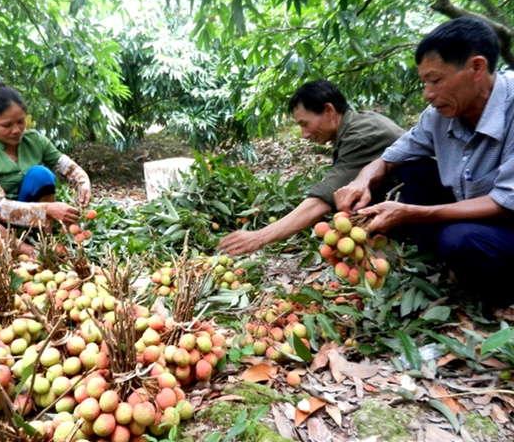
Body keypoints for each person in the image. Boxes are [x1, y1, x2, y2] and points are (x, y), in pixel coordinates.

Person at [334, 16, 514, 309]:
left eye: (436, 80)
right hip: (477, 211)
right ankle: (444, 266)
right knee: (413, 170)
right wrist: (361, 182)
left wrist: (412, 213)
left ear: (477, 68)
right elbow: (389, 157)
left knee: (460, 239)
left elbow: (506, 203)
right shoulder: (439, 115)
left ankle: (499, 295)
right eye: (424, 83)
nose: (427, 94)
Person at [218, 80, 405, 255]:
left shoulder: (361, 136)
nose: (304, 134)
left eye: (305, 124)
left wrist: (259, 238)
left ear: (329, 111)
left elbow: (322, 200)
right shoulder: (359, 122)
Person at [0, 82, 92, 250]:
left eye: (21, 122)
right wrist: (47, 209)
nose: (16, 130)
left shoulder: (34, 140)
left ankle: (46, 239)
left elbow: (68, 167)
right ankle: (26, 250)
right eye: (6, 125)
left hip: (28, 221)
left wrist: (83, 182)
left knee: (40, 174)